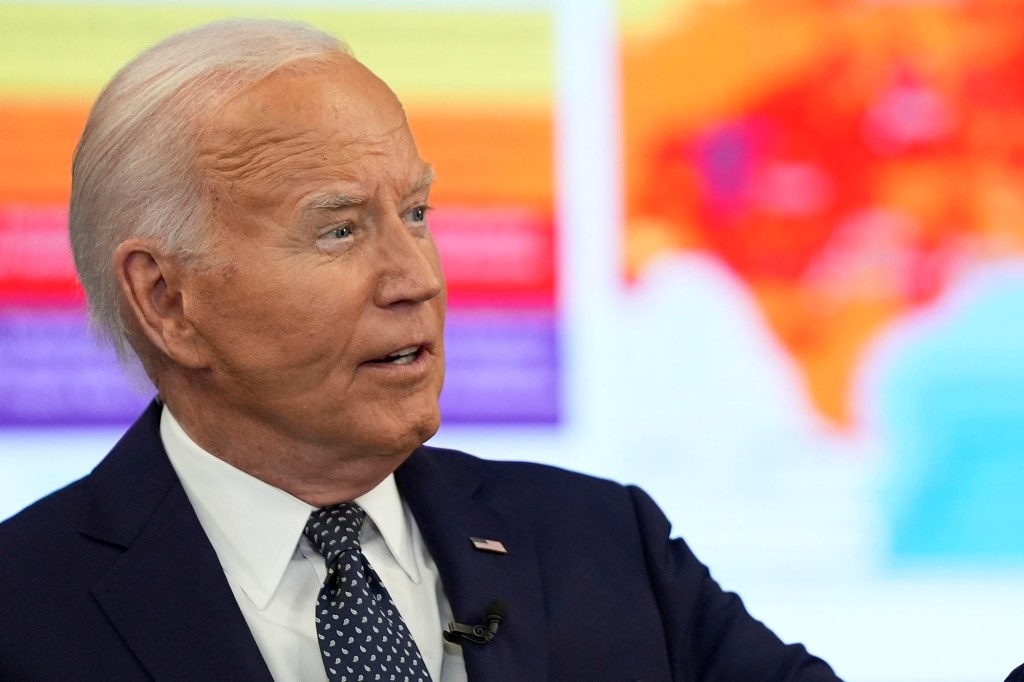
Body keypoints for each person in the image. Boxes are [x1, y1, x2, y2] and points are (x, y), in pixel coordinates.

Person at [0, 18, 842, 682]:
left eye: (415, 215)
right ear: (168, 301)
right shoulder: (24, 612)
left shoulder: (605, 547)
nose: (417, 279)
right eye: (338, 230)